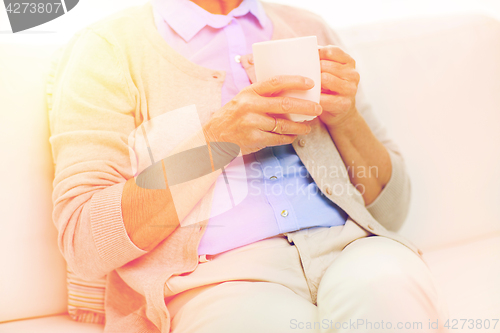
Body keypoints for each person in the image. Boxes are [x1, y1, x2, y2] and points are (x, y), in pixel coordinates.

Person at [48, 0, 448, 332]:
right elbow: (85, 240)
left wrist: (346, 119)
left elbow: (392, 211)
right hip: (215, 280)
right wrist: (216, 141)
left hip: (350, 249)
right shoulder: (107, 49)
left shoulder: (307, 28)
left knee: (390, 286)